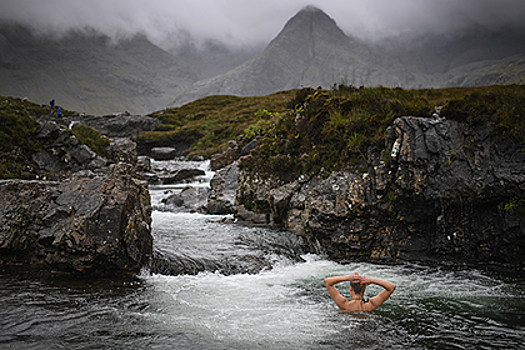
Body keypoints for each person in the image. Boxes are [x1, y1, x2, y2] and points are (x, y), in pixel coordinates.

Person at [324, 272, 396, 312]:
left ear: (351, 289)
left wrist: (347, 278)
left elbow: (327, 282)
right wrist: (372, 280)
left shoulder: (344, 305)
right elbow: (391, 287)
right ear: (364, 290)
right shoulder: (371, 305)